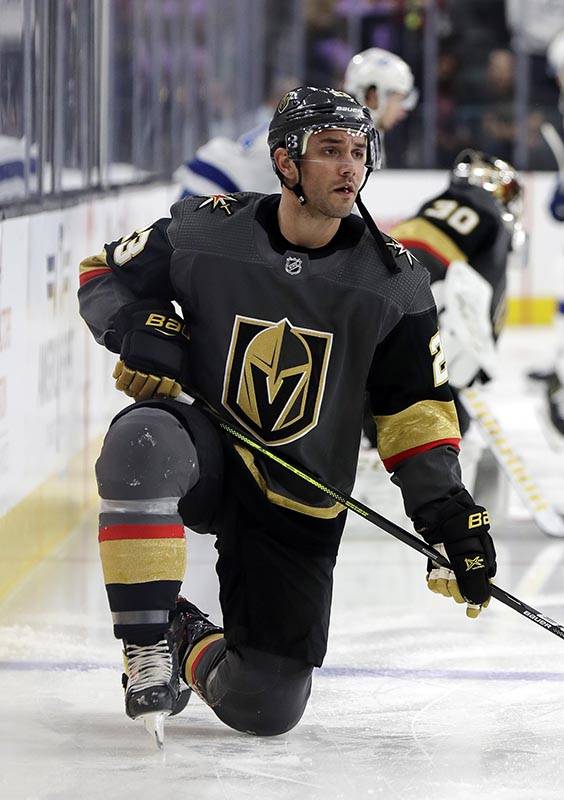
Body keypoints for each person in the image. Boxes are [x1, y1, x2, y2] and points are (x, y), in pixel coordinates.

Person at [78, 87, 496, 741]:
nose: (348, 167)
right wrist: (136, 325)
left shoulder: (395, 282)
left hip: (300, 497)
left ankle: (181, 634)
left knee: (265, 705)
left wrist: (449, 518)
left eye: (359, 153)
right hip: (208, 450)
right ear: (285, 162)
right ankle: (144, 647)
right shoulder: (208, 229)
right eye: (330, 151)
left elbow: (415, 413)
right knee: (143, 441)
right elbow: (102, 272)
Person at [174, 48, 417, 198]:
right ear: (374, 95)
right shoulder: (339, 127)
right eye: (399, 98)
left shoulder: (338, 117)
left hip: (216, 192)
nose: (404, 110)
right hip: (212, 195)